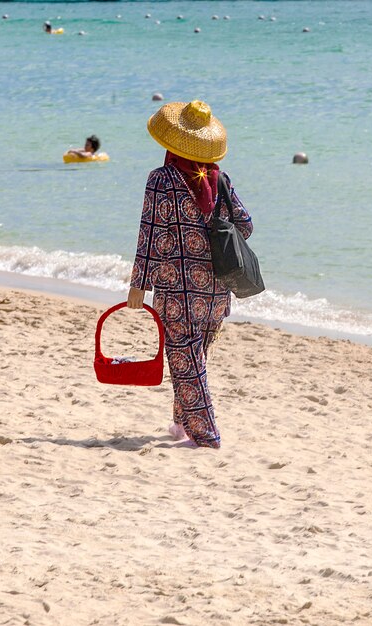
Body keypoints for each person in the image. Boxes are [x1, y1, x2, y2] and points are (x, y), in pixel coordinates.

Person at [127, 100, 254, 449]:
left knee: (187, 364)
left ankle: (206, 435)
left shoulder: (162, 179)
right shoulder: (219, 178)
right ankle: (181, 424)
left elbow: (149, 232)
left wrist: (140, 283)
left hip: (176, 288)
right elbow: (245, 224)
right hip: (216, 289)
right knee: (194, 361)